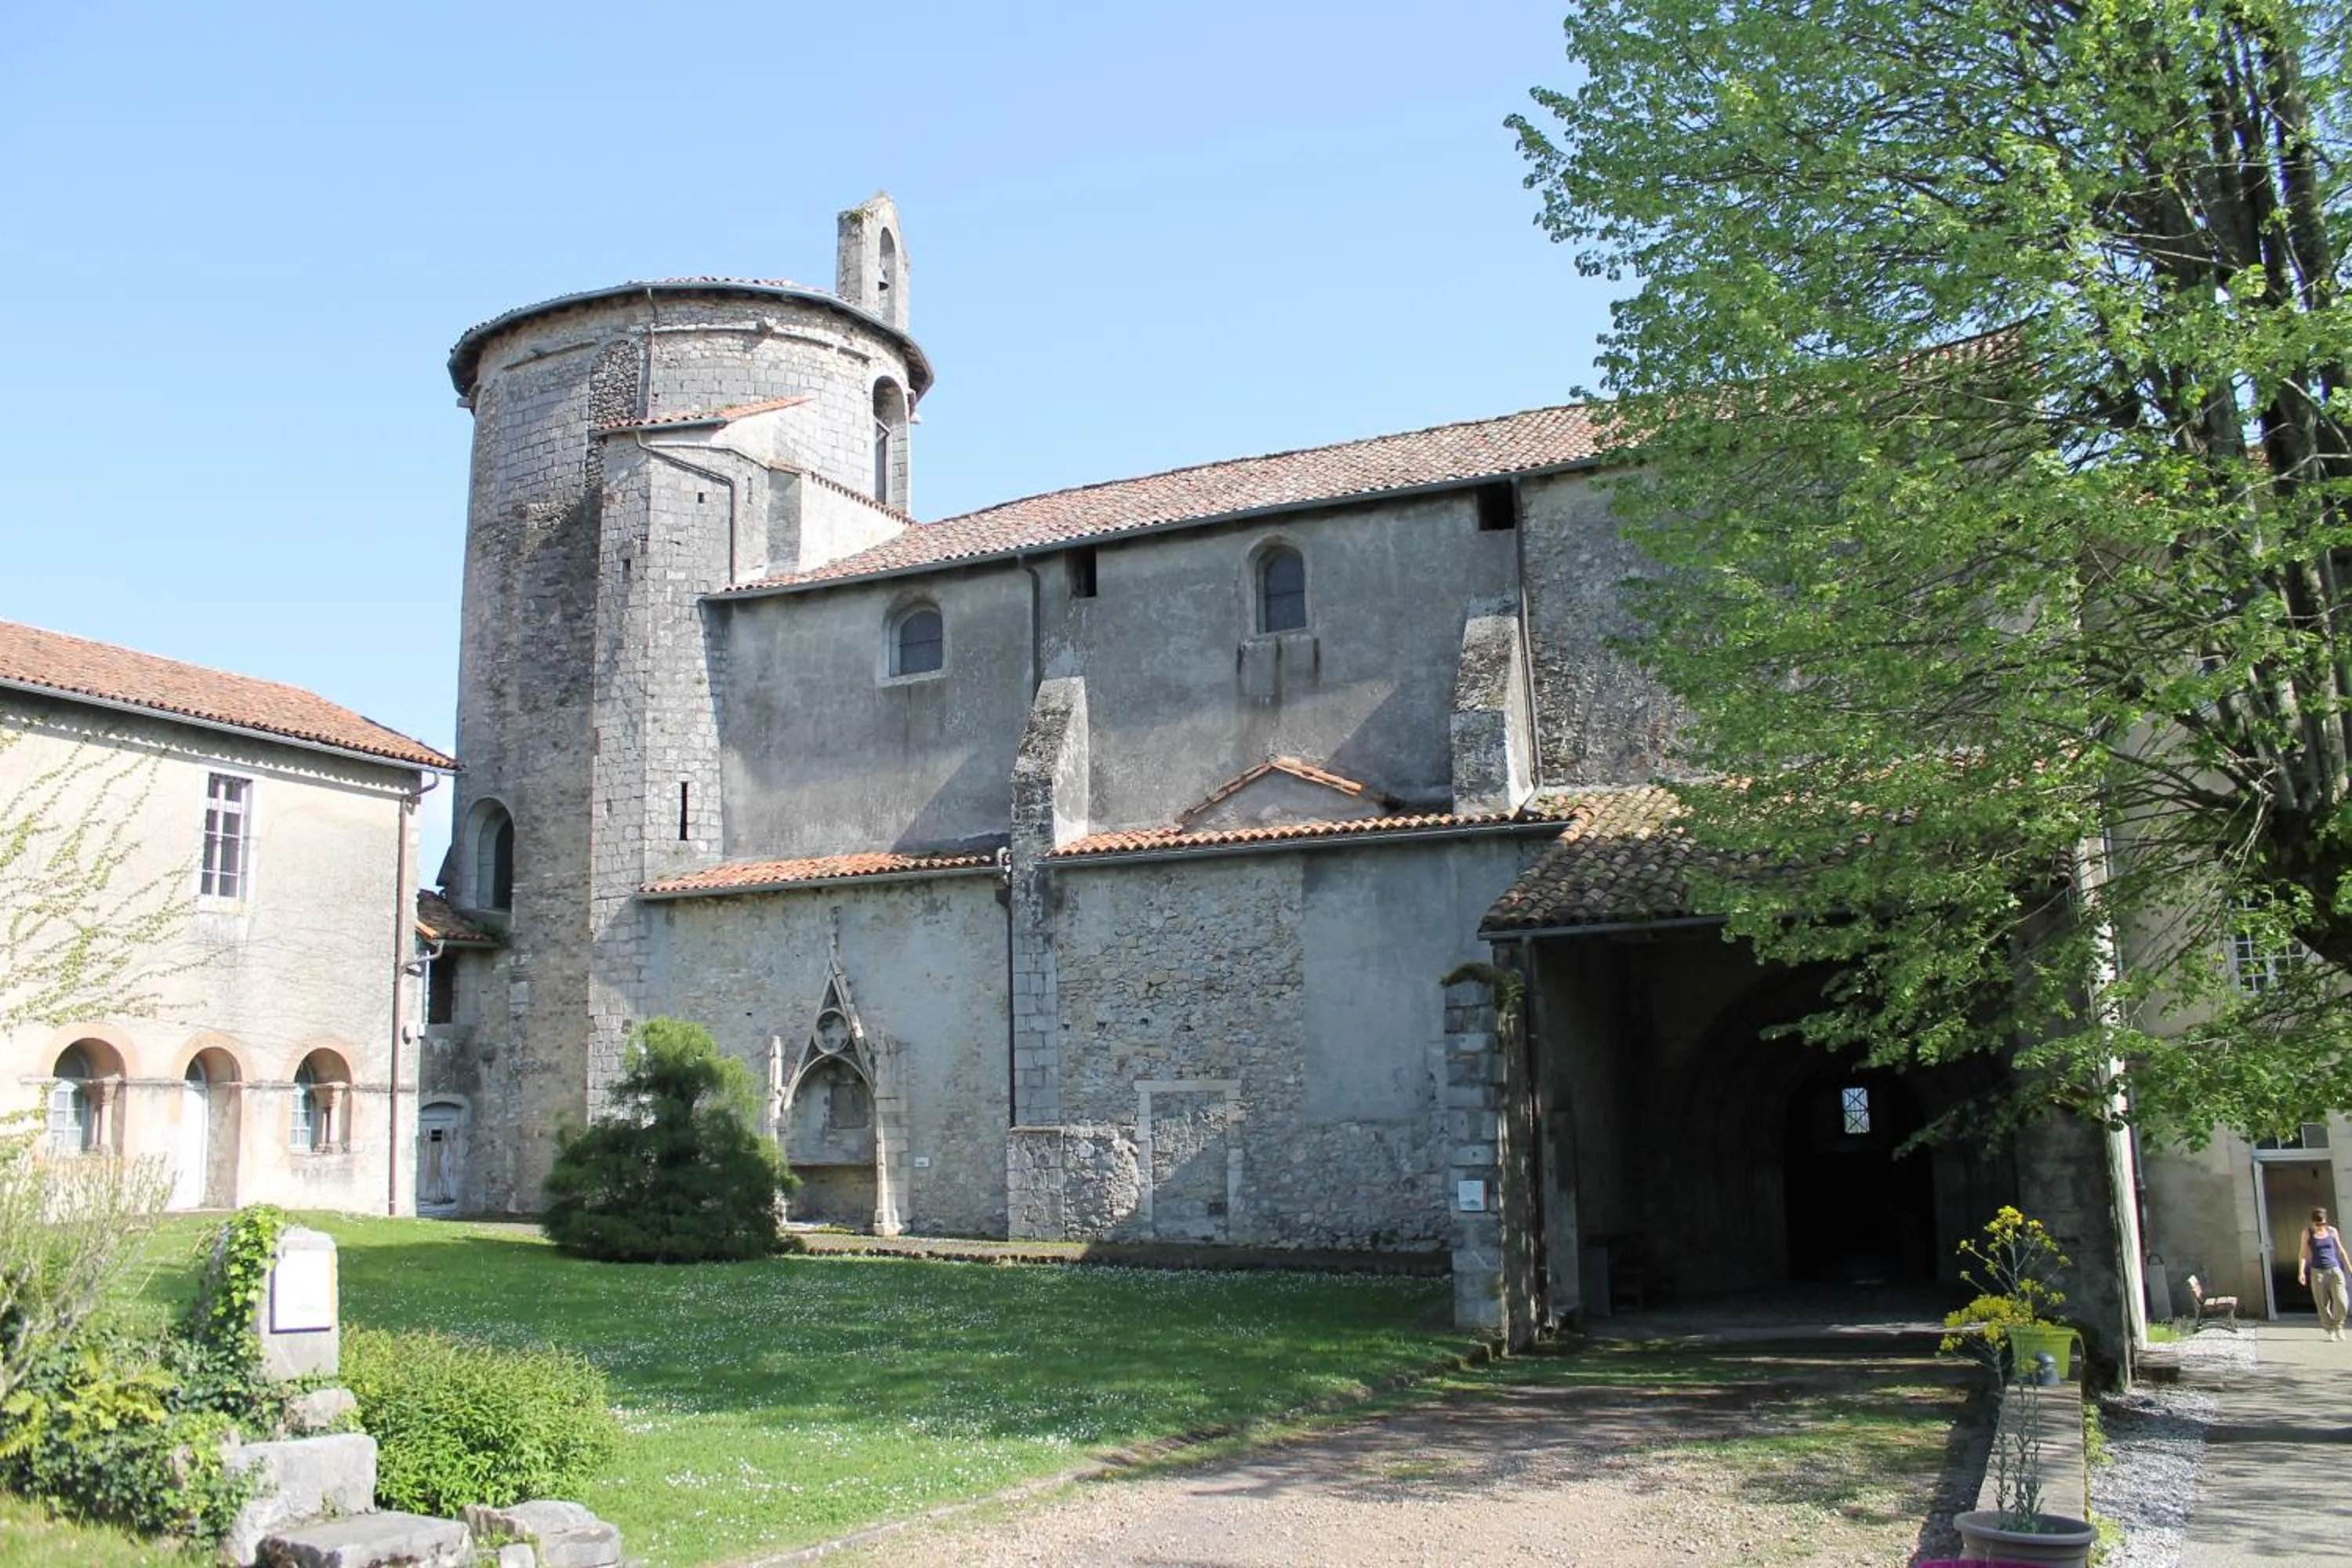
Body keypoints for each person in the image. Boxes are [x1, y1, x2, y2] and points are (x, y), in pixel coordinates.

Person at [2298, 1207, 2349, 1341]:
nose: (2321, 1226)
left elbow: (2341, 1249)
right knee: (2322, 1303)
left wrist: (2349, 1266)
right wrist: (2301, 1272)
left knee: (2342, 1301)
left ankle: (2339, 1326)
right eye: (2318, 1224)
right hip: (2318, 1272)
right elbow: (2303, 1253)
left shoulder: (2332, 1231)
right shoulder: (2307, 1233)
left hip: (2335, 1270)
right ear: (2313, 1222)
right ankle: (2330, 1329)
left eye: (2323, 1224)